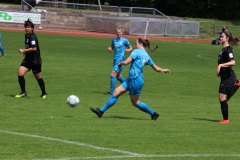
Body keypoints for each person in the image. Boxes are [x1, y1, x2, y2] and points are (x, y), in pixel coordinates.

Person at [91, 38, 170, 120]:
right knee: (116, 92)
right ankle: (101, 111)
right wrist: (164, 70)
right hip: (131, 79)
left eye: (136, 43)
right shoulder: (146, 55)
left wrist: (120, 63)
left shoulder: (136, 51)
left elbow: (126, 63)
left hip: (136, 80)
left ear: (140, 44)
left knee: (135, 103)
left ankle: (154, 114)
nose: (135, 45)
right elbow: (156, 69)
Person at [15, 18, 47, 99]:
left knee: (38, 77)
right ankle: (23, 92)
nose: (27, 28)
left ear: (32, 28)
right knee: (20, 73)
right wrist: (26, 52)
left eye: (29, 27)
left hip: (35, 61)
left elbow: (34, 48)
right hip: (28, 59)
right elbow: (29, 47)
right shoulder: (26, 35)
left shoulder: (32, 36)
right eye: (26, 27)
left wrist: (23, 50)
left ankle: (44, 93)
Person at [216, 30, 240, 124]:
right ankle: (238, 84)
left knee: (222, 97)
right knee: (223, 98)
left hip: (229, 77)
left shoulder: (228, 50)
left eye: (222, 36)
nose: (220, 38)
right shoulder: (223, 50)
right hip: (224, 77)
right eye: (220, 36)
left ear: (227, 38)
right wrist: (219, 70)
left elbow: (233, 62)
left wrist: (220, 66)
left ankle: (226, 120)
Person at [105, 27, 132, 95]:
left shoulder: (125, 40)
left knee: (113, 75)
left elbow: (130, 47)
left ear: (122, 33)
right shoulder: (114, 39)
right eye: (117, 32)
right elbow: (112, 47)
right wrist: (110, 48)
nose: (118, 33)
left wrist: (128, 50)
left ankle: (111, 92)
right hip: (115, 59)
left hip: (120, 60)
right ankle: (130, 87)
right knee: (118, 76)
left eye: (119, 32)